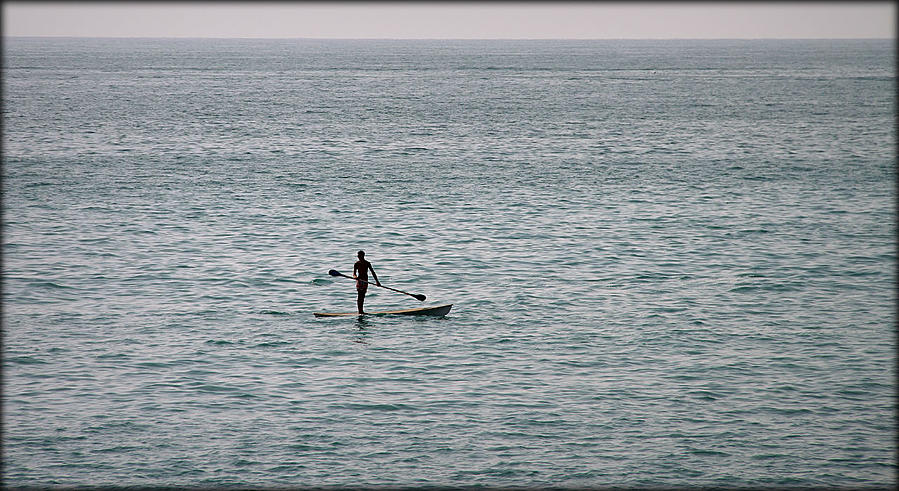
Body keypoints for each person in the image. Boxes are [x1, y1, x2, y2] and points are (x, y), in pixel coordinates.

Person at [353, 250, 380, 314]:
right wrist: (355, 277)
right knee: (360, 295)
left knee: (363, 295)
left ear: (363, 256)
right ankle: (360, 311)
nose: (358, 256)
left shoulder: (367, 263)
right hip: (359, 280)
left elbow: (373, 273)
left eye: (359, 255)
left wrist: (377, 282)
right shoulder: (356, 264)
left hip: (365, 281)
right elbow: (354, 274)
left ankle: (361, 311)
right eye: (358, 255)